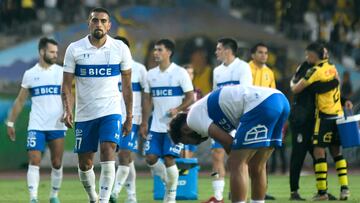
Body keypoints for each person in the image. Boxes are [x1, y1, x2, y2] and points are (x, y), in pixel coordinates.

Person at [169, 84, 290, 203]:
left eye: (188, 141)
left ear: (184, 130)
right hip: (280, 100)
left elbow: (227, 142)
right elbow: (233, 142)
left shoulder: (192, 119)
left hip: (261, 104)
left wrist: (238, 163)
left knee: (236, 163)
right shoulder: (206, 110)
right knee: (257, 165)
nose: (195, 144)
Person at [62, 8, 133, 203]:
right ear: (89, 23)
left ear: (109, 25)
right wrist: (67, 109)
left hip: (111, 111)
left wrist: (129, 116)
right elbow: (66, 85)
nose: (99, 24)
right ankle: (93, 197)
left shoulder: (120, 48)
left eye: (103, 21)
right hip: (84, 114)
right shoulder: (74, 49)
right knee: (85, 164)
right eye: (95, 21)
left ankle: (103, 200)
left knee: (108, 150)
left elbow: (127, 87)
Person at [6, 37, 67, 203]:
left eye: (56, 52)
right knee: (34, 160)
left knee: (56, 162)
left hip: (57, 124)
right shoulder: (30, 74)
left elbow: (68, 95)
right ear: (42, 52)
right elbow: (20, 100)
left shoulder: (61, 72)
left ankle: (53, 196)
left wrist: (68, 112)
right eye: (52, 52)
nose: (55, 55)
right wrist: (11, 122)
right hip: (36, 125)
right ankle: (33, 198)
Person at [291, 42, 351, 201]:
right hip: (338, 115)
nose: (306, 57)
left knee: (318, 151)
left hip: (324, 117)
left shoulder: (314, 71)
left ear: (312, 56)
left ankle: (322, 192)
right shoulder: (333, 68)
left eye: (307, 55)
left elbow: (296, 89)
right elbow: (334, 87)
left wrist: (297, 83)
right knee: (337, 153)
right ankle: (344, 189)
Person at [139, 39, 194, 203]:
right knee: (150, 158)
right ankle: (167, 182)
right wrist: (144, 122)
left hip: (174, 128)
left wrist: (177, 110)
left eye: (159, 50)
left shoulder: (180, 73)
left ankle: (170, 197)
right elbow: (147, 100)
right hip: (156, 126)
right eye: (155, 50)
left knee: (169, 158)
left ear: (169, 52)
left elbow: (190, 97)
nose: (155, 53)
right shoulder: (151, 74)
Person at [207, 38, 252, 203]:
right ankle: (218, 197)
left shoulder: (243, 67)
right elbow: (214, 94)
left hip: (238, 119)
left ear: (227, 50)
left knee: (239, 159)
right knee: (216, 155)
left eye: (218, 49)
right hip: (220, 119)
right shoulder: (216, 71)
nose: (216, 52)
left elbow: (245, 93)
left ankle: (241, 194)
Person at [110, 36, 148, 203]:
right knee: (124, 158)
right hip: (112, 117)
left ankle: (114, 193)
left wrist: (144, 121)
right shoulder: (111, 70)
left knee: (125, 154)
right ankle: (132, 196)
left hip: (132, 118)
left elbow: (147, 97)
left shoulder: (139, 69)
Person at [249, 42, 278, 200]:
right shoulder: (245, 69)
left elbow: (273, 94)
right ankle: (238, 188)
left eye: (266, 53)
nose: (264, 55)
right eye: (260, 52)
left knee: (263, 155)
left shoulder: (269, 72)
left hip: (265, 118)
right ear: (253, 55)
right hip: (249, 116)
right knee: (243, 156)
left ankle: (262, 190)